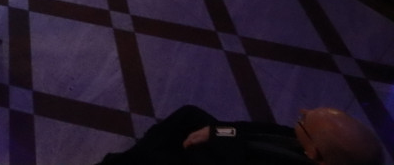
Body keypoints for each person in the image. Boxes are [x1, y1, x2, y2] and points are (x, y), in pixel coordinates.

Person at [96, 104, 382, 165]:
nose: (302, 112)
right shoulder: (308, 143)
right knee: (191, 116)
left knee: (156, 156)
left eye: (304, 120)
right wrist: (216, 131)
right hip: (232, 147)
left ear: (314, 154)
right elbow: (257, 131)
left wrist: (214, 142)